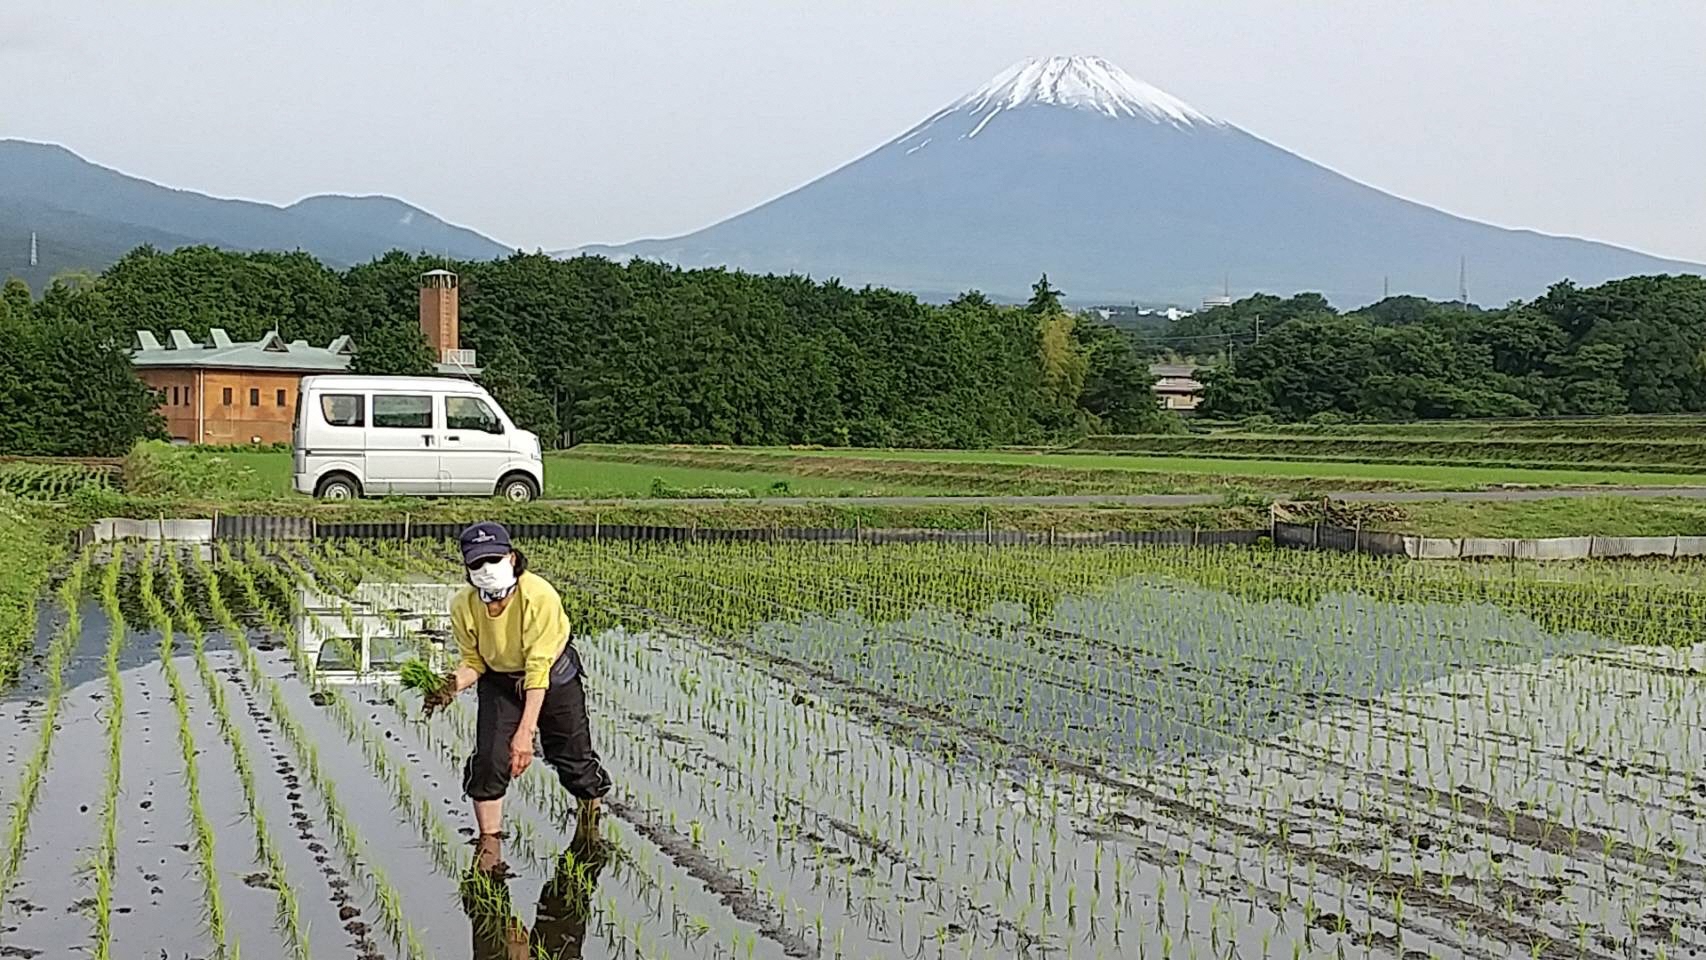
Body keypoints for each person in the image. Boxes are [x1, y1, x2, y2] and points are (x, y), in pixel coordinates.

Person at [425, 521, 612, 874]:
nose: (486, 570)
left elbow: (538, 668)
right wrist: (449, 686)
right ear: (467, 568)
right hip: (499, 679)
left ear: (511, 558)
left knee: (575, 762)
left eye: (493, 560)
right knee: (491, 761)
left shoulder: (538, 596)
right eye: (476, 564)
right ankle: (489, 849)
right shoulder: (463, 605)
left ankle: (590, 830)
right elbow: (474, 661)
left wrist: (526, 734)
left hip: (553, 679)